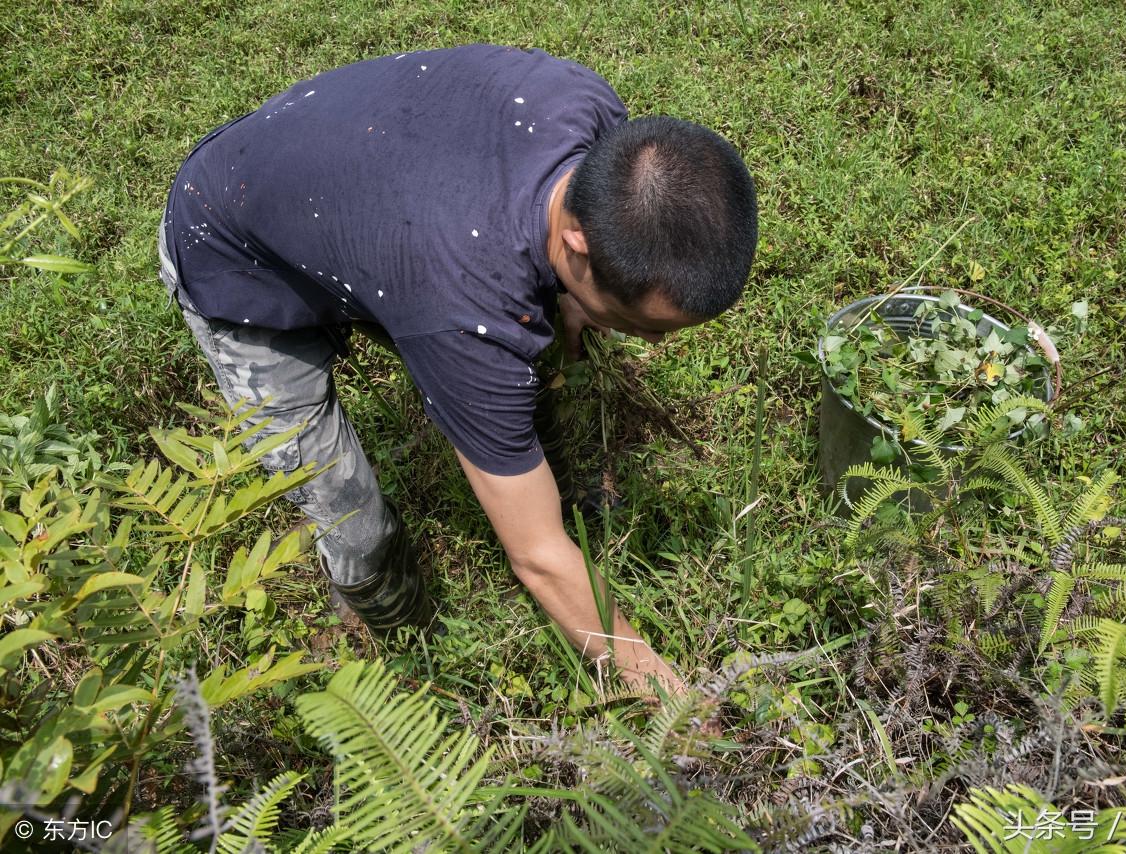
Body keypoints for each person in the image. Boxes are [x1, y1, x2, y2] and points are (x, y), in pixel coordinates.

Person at [158, 44, 757, 694]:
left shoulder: (586, 111)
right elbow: (538, 557)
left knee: (531, 349)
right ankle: (415, 661)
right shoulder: (465, 310)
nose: (652, 345)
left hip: (363, 198)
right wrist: (668, 698)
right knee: (350, 518)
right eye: (645, 327)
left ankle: (549, 469)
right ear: (580, 245)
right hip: (233, 252)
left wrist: (590, 303)